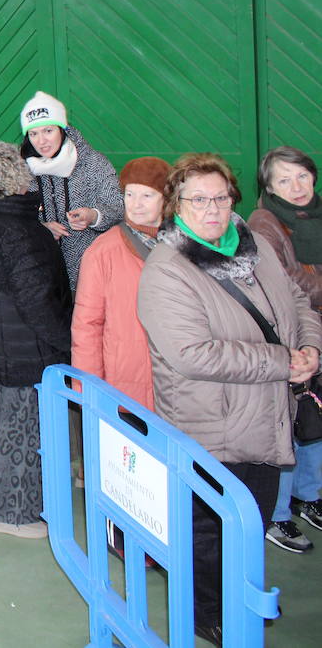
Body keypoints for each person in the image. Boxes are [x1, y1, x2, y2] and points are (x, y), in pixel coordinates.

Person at [138, 153, 321, 646]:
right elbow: (192, 354)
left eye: (220, 197)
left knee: (250, 524)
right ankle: (206, 614)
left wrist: (309, 347)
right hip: (210, 427)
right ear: (177, 204)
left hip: (264, 418)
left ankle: (237, 599)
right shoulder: (167, 269)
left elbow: (297, 302)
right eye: (199, 200)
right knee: (208, 533)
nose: (213, 209)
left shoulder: (255, 244)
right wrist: (284, 362)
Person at [0, 142, 71, 538]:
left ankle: (14, 505)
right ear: (16, 179)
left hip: (3, 342)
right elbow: (38, 304)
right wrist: (69, 343)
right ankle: (14, 515)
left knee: (12, 426)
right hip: (28, 350)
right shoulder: (20, 232)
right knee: (24, 433)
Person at [248, 147, 322, 552]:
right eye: (284, 180)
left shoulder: (319, 213)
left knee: (317, 422)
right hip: (290, 337)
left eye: (302, 177)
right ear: (269, 187)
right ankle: (276, 515)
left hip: (319, 332)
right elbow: (284, 281)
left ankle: (310, 496)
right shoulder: (264, 223)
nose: (296, 187)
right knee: (289, 425)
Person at [72, 157, 170, 411]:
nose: (136, 204)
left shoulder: (184, 246)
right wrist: (86, 390)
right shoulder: (103, 251)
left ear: (165, 199)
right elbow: (87, 326)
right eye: (129, 194)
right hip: (126, 387)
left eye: (147, 196)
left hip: (178, 386)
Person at [18, 91, 123, 289]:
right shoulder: (23, 169)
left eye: (48, 131)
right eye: (34, 133)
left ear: (62, 129)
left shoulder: (93, 162)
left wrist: (94, 215)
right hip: (42, 273)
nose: (41, 141)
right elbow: (16, 220)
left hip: (92, 270)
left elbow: (118, 206)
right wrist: (42, 228)